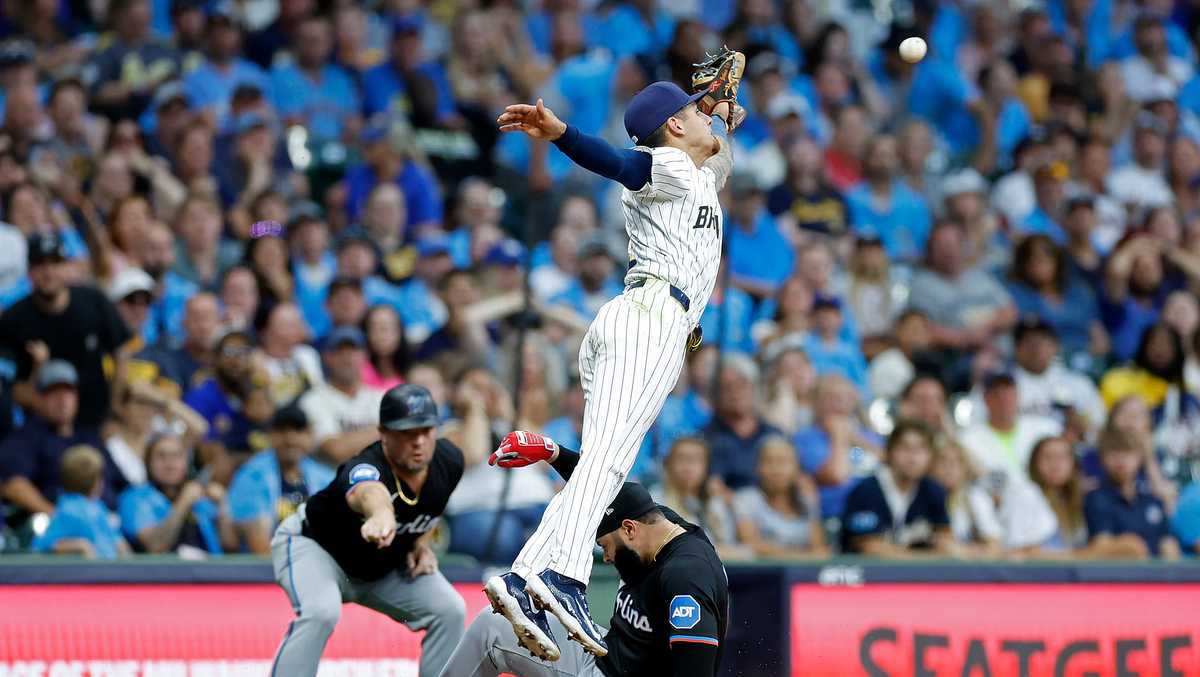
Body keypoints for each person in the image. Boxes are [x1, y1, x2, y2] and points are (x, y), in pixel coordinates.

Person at [486, 69, 739, 658]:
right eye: (696, 112)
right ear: (675, 125)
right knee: (604, 465)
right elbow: (622, 164)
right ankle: (564, 578)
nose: (706, 119)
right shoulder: (671, 165)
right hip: (652, 318)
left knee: (605, 463)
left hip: (638, 319)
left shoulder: (697, 172)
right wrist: (562, 133)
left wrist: (724, 109)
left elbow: (718, 153)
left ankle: (524, 577)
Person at [449, 432, 728, 675]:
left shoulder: (687, 577)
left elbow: (696, 668)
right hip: (607, 654)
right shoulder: (654, 522)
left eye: (606, 546)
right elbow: (600, 489)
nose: (606, 558)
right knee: (493, 623)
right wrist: (552, 453)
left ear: (629, 530)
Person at [269, 384, 466, 677]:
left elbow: (430, 507)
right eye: (407, 433)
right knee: (321, 611)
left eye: (426, 430)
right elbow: (368, 492)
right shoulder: (364, 467)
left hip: (380, 567)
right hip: (315, 549)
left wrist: (420, 543)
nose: (419, 441)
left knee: (450, 609)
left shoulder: (449, 461)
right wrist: (381, 513)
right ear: (383, 433)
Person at [0, 232, 130, 426]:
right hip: (41, 428)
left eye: (55, 263)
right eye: (40, 265)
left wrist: (114, 412)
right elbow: (13, 390)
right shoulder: (13, 319)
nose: (48, 272)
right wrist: (39, 372)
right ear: (28, 272)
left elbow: (121, 354)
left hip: (97, 419)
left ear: (67, 267)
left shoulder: (93, 301)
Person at [0, 360, 119, 517]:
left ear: (76, 397)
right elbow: (13, 485)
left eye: (68, 392)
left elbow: (118, 483)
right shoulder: (26, 438)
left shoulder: (90, 437)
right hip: (64, 532)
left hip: (108, 523)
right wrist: (60, 518)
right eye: (53, 392)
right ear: (38, 398)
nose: (62, 400)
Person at [840, 420, 959, 559]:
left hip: (917, 577)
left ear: (931, 456)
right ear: (889, 452)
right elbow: (870, 547)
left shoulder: (933, 490)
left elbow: (946, 540)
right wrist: (925, 559)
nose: (913, 457)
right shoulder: (866, 491)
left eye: (921, 449)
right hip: (867, 576)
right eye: (905, 448)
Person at [228, 405, 334, 555]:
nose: (290, 439)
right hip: (268, 569)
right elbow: (259, 545)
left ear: (309, 435)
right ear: (270, 435)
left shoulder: (324, 477)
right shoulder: (252, 475)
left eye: (298, 430)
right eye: (282, 431)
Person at [118, 433, 235, 555]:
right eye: (161, 456)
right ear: (148, 462)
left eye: (176, 456)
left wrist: (223, 504)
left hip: (210, 571)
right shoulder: (134, 499)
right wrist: (183, 502)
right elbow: (155, 546)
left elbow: (230, 547)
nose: (170, 464)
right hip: (164, 572)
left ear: (186, 463)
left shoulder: (201, 500)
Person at [1084, 428, 1183, 560]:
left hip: (1158, 576)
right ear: (1102, 458)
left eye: (1127, 452)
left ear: (1140, 457)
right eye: (1113, 452)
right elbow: (1101, 546)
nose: (1120, 459)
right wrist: (1130, 546)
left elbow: (1168, 542)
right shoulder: (1095, 498)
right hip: (1117, 576)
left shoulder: (1151, 497)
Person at [731, 435, 828, 559]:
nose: (776, 470)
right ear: (757, 468)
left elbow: (820, 549)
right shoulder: (746, 499)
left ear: (797, 468)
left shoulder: (806, 502)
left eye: (783, 462)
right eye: (769, 461)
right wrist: (802, 557)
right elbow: (751, 545)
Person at [297, 326, 383, 464]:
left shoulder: (382, 398)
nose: (347, 358)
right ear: (327, 357)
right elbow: (336, 451)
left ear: (365, 356)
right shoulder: (313, 400)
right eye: (339, 351)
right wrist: (387, 429)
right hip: (334, 481)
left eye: (353, 351)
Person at [651, 437, 747, 560]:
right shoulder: (655, 499)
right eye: (681, 458)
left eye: (696, 460)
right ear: (668, 464)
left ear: (707, 467)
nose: (688, 466)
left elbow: (730, 544)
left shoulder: (714, 502)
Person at [959, 372, 1062, 484]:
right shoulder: (969, 439)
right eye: (997, 394)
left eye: (1009, 393)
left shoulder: (1044, 428)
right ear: (986, 399)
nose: (1004, 400)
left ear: (1018, 396)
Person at [32, 445, 131, 559]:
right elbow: (42, 546)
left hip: (111, 572)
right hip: (87, 574)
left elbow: (120, 544)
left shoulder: (98, 507)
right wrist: (80, 546)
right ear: (96, 482)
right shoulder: (68, 510)